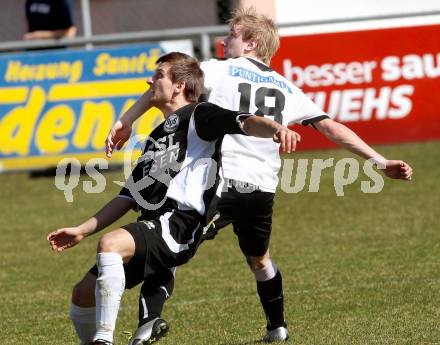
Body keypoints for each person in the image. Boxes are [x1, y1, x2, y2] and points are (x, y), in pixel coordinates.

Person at [102, 7, 413, 344]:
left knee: (172, 243)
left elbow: (167, 86)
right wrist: (379, 161)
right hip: (262, 189)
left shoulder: (218, 70)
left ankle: (149, 323)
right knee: (259, 258)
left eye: (232, 36)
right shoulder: (287, 87)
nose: (224, 41)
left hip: (220, 184)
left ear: (249, 43)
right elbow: (331, 128)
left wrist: (127, 120)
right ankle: (277, 328)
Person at [47, 52, 299, 345]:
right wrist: (81, 230)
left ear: (179, 85)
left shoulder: (199, 115)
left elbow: (245, 121)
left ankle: (105, 340)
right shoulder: (156, 137)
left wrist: (276, 128)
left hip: (179, 224)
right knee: (82, 294)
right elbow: (128, 196)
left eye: (158, 75)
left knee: (111, 244)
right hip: (155, 225)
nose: (149, 81)